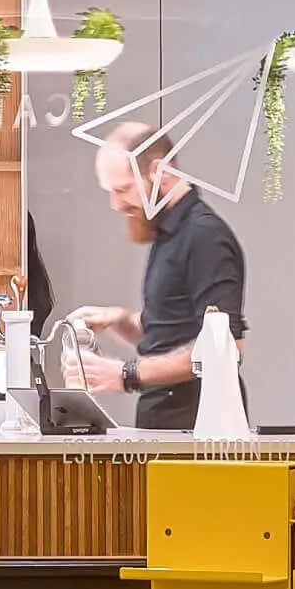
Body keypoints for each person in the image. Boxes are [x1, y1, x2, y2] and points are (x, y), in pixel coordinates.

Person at [67, 122, 247, 430]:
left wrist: (124, 374)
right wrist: (119, 320)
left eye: (123, 190)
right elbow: (175, 332)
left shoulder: (205, 236)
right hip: (165, 420)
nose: (116, 204)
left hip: (199, 427)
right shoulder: (168, 231)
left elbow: (226, 347)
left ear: (160, 171)